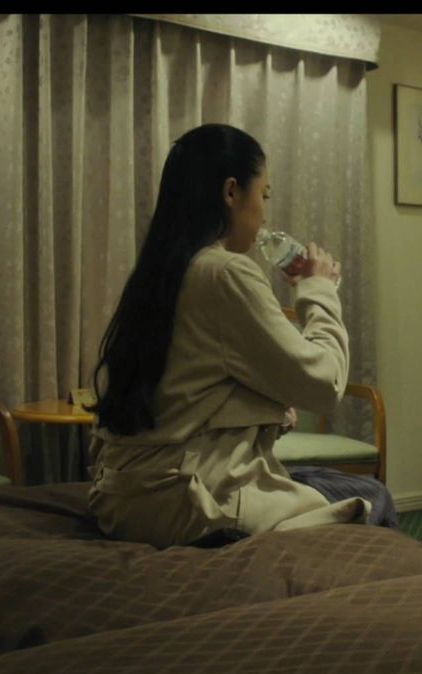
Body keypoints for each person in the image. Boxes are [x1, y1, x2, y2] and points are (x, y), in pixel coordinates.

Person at [86, 123, 394, 549]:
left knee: (321, 481)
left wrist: (269, 410)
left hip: (124, 497)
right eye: (263, 194)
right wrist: (318, 291)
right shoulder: (224, 272)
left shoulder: (159, 273)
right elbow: (324, 385)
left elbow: (188, 394)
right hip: (184, 499)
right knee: (374, 497)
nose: (264, 212)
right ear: (232, 192)